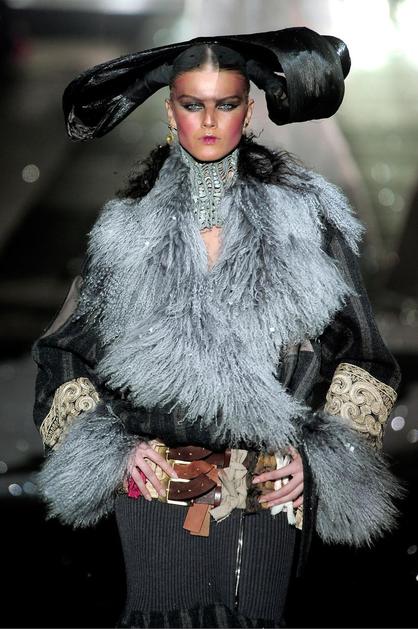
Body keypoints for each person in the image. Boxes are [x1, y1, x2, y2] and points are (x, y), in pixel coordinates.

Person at [32, 27, 402, 629]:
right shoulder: (126, 231)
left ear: (248, 111)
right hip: (156, 499)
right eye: (193, 103)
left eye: (225, 104)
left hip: (269, 496)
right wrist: (111, 447)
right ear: (170, 111)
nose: (209, 121)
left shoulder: (306, 219)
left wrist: (321, 457)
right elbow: (63, 352)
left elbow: (364, 354)